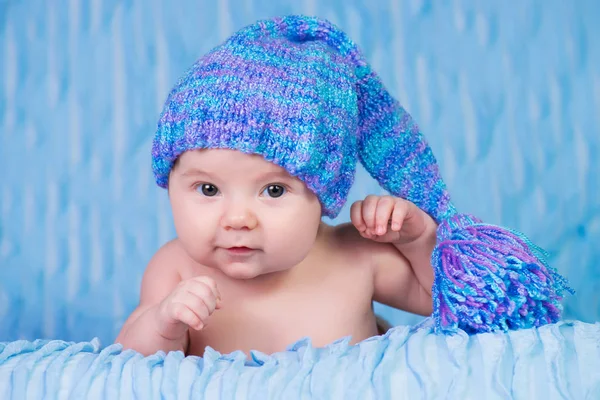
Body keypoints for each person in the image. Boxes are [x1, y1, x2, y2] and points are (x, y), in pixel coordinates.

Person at [115, 15, 571, 357]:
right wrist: (165, 322)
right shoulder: (175, 270)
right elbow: (128, 364)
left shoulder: (353, 255)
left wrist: (416, 239)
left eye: (274, 191)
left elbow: (444, 303)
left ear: (324, 195)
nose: (237, 219)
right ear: (170, 183)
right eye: (208, 190)